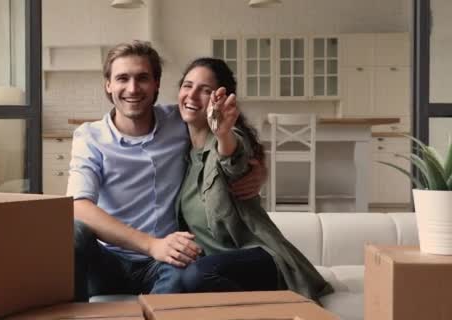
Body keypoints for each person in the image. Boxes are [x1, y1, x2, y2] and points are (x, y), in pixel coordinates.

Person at [68, 41, 267, 301]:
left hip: (165, 264)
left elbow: (232, 133)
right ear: (108, 85)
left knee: (184, 272)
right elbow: (78, 206)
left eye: (142, 78)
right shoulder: (90, 137)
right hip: (109, 261)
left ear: (157, 84)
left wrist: (259, 168)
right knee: (74, 231)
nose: (132, 88)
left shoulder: (179, 120)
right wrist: (151, 245)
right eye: (122, 78)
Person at [174, 57, 333, 301]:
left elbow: (233, 158)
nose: (192, 95)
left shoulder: (228, 137)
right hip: (217, 266)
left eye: (205, 90)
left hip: (257, 257)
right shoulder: (178, 147)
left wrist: (223, 133)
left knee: (197, 275)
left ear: (221, 99)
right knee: (185, 277)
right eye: (187, 85)